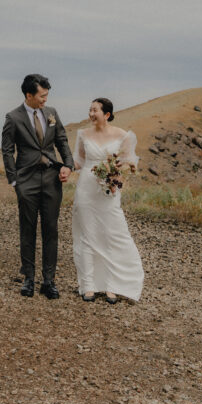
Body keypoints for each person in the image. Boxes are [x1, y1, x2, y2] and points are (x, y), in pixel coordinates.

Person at [1, 74, 74, 299]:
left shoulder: (51, 113)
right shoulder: (13, 117)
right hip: (27, 181)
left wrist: (68, 166)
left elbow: (62, 140)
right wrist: (15, 181)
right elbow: (7, 150)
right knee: (28, 230)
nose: (45, 100)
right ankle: (29, 279)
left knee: (51, 230)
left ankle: (49, 281)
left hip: (52, 179)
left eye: (47, 96)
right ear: (28, 95)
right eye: (41, 96)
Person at [72, 97, 144, 303]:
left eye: (95, 110)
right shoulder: (82, 134)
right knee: (87, 235)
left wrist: (119, 172)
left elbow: (130, 160)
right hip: (86, 188)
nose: (91, 114)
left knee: (111, 233)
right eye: (90, 110)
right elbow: (79, 161)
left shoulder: (123, 135)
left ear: (107, 114)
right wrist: (64, 168)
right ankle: (88, 286)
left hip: (109, 190)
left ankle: (112, 286)